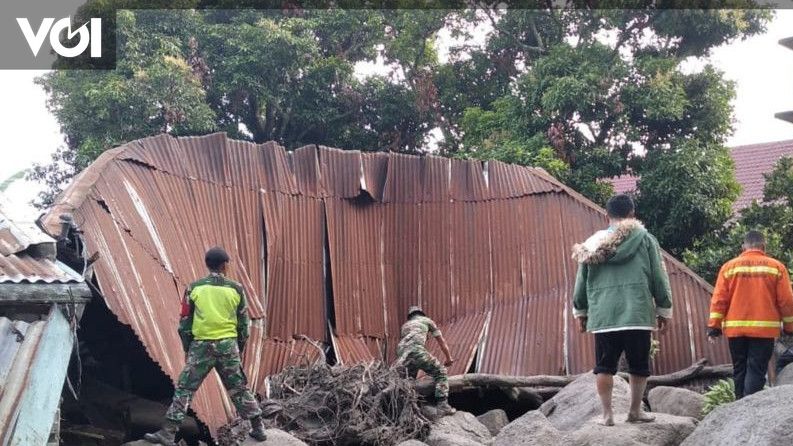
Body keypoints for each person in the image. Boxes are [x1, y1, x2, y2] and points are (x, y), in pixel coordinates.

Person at [145, 247, 266, 445]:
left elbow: (184, 323)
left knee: (185, 389)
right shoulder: (236, 289)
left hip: (201, 347)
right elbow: (244, 324)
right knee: (239, 388)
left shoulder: (194, 288)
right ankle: (258, 427)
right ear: (225, 265)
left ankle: (167, 433)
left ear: (207, 264)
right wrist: (239, 347)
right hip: (228, 347)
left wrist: (187, 348)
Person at [572, 194, 672, 426]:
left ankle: (607, 415)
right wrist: (664, 309)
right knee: (639, 365)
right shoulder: (646, 239)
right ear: (632, 214)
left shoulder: (591, 244)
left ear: (607, 215)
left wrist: (581, 311)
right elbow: (659, 277)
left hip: (604, 314)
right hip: (637, 313)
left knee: (604, 366)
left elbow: (581, 281)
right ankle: (635, 411)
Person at [707, 231, 793, 399]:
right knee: (756, 369)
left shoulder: (729, 267)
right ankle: (748, 409)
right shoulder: (776, 267)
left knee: (739, 369)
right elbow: (786, 301)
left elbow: (719, 299)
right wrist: (790, 327)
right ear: (764, 246)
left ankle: (739, 406)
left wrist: (714, 326)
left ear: (743, 246)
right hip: (764, 331)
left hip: (735, 331)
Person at [396, 305, 456, 415]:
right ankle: (443, 405)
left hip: (401, 354)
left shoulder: (405, 326)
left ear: (410, 316)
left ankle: (407, 410)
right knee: (441, 372)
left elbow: (406, 344)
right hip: (416, 351)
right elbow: (441, 342)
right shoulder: (427, 321)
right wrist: (448, 358)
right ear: (421, 314)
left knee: (408, 382)